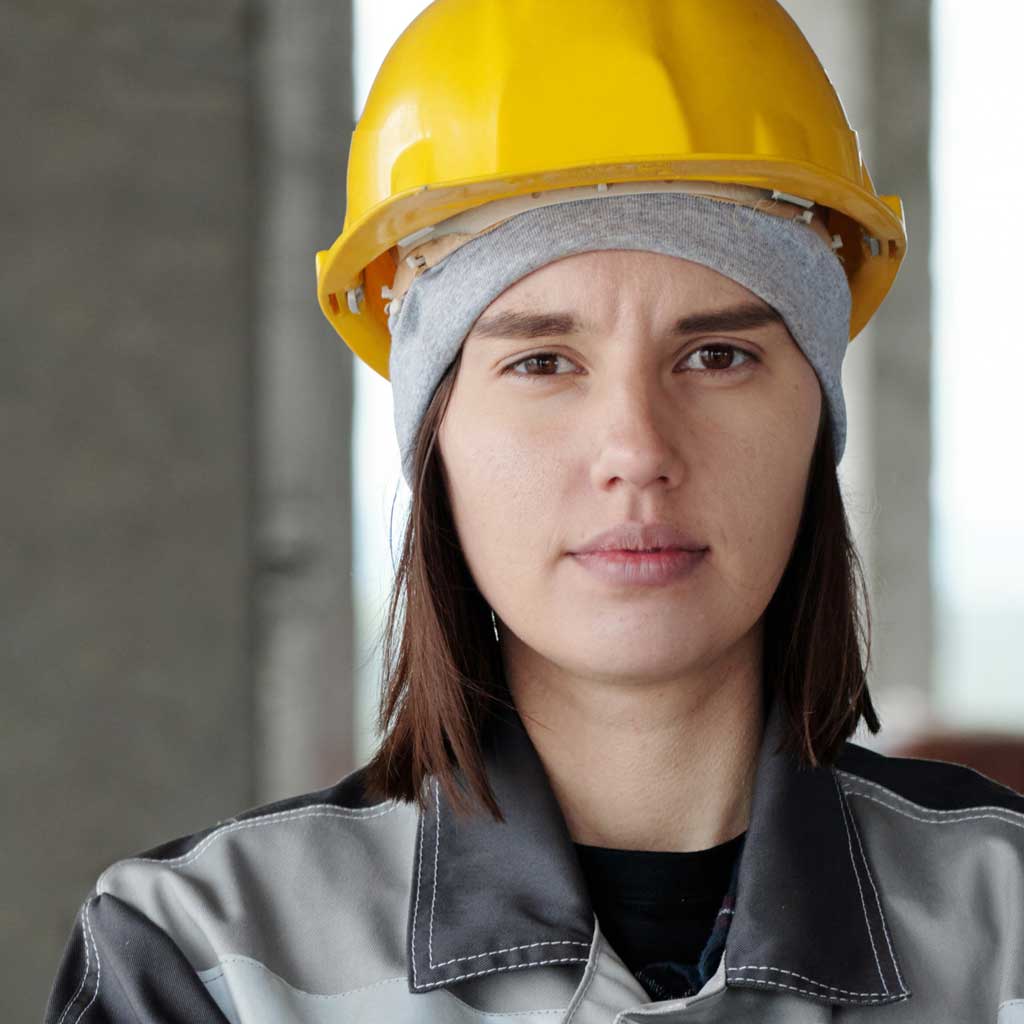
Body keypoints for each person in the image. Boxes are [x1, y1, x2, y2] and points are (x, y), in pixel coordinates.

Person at [45, 1, 1024, 1021]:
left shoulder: (1004, 923)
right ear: (439, 438)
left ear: (814, 422)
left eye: (717, 355)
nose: (637, 450)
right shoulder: (207, 954)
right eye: (542, 361)